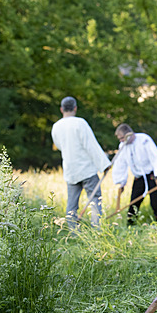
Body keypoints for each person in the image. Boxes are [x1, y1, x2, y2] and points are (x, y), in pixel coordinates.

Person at [51, 96, 110, 228]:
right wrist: (104, 164)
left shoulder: (56, 126)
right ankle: (97, 230)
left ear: (61, 109)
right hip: (86, 169)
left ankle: (72, 232)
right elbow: (91, 145)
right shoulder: (80, 123)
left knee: (71, 203)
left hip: (70, 170)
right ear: (75, 108)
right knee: (95, 199)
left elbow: (59, 146)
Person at [112, 123, 157, 225]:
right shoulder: (122, 146)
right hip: (138, 177)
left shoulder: (144, 140)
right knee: (134, 201)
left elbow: (154, 156)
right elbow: (121, 164)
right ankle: (131, 223)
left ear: (128, 135)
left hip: (151, 175)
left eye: (122, 138)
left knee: (155, 201)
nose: (121, 141)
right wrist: (121, 182)